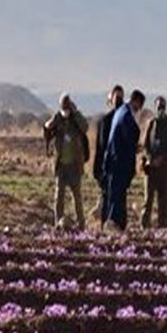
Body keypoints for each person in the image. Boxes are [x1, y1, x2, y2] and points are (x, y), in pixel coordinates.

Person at [42, 94, 90, 229]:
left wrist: (76, 113)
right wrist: (52, 121)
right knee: (59, 198)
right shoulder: (58, 119)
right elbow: (46, 128)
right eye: (63, 108)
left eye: (67, 108)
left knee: (77, 197)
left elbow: (85, 127)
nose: (65, 111)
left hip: (74, 165)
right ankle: (58, 224)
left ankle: (81, 225)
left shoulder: (76, 119)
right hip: (61, 165)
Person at [103, 90, 145, 230]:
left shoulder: (120, 111)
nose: (139, 109)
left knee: (115, 194)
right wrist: (135, 147)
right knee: (117, 195)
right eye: (139, 106)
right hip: (119, 162)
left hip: (114, 160)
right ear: (136, 101)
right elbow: (128, 137)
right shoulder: (126, 115)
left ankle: (115, 223)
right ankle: (114, 225)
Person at [140, 96, 167, 229]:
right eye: (158, 106)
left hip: (165, 169)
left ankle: (162, 229)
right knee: (147, 201)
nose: (160, 109)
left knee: (164, 202)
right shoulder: (151, 123)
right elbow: (145, 145)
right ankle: (144, 227)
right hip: (151, 170)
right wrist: (150, 159)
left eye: (162, 106)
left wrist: (162, 158)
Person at [92, 85, 124, 225]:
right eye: (116, 97)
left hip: (121, 168)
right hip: (107, 168)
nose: (118, 100)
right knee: (106, 200)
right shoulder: (105, 121)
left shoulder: (125, 120)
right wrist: (97, 170)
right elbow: (100, 148)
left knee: (120, 202)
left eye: (120, 97)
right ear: (110, 100)